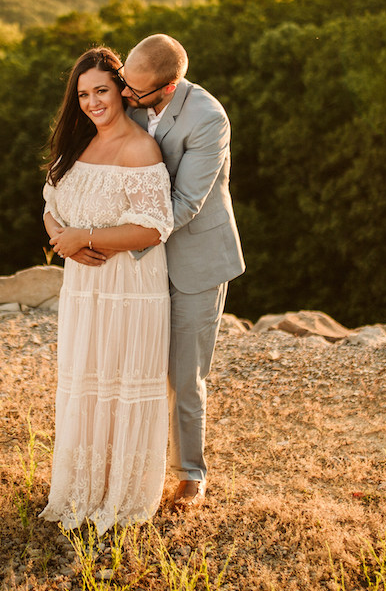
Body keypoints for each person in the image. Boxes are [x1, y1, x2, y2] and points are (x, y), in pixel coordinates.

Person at [71, 34, 244, 509]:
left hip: (191, 259)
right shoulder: (135, 88)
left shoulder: (208, 120)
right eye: (123, 82)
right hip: (138, 264)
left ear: (167, 89)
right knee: (134, 366)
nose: (123, 96)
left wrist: (102, 237)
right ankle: (130, 463)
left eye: (135, 92)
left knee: (184, 375)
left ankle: (190, 474)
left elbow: (183, 205)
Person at [38, 46, 174, 534]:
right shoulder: (75, 145)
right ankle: (82, 484)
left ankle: (122, 492)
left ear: (121, 89)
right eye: (83, 94)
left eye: (101, 90)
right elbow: (51, 201)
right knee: (87, 380)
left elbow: (155, 228)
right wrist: (61, 235)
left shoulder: (140, 148)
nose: (93, 102)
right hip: (83, 284)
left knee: (120, 384)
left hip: (129, 287)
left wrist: (86, 238)